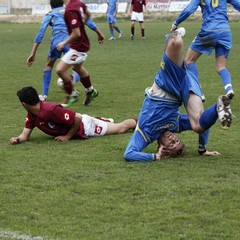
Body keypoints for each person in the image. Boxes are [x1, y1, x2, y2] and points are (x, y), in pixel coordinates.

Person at [124, 28, 232, 161]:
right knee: (198, 125)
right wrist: (202, 148)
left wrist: (154, 157)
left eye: (172, 144)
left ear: (161, 147)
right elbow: (204, 126)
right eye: (177, 141)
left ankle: (175, 33)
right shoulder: (174, 125)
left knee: (175, 42)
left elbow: (129, 153)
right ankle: (219, 105)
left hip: (167, 82)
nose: (174, 139)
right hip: (184, 88)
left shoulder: (144, 134)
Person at [27, 0, 104, 103]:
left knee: (49, 65)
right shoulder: (71, 10)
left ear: (51, 5)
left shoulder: (50, 14)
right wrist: (99, 33)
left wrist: (33, 53)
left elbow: (41, 32)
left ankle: (44, 95)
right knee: (77, 67)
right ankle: (73, 83)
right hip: (71, 41)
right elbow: (88, 22)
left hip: (57, 42)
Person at [10, 86, 137, 145]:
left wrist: (67, 136)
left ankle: (144, 122)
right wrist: (17, 139)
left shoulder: (50, 109)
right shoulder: (32, 114)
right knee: (108, 124)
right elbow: (25, 136)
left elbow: (77, 118)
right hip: (80, 122)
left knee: (121, 128)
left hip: (85, 127)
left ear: (24, 103)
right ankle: (102, 120)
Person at [170, 0, 240, 101]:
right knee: (221, 66)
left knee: (189, 60)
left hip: (209, 30)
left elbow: (189, 10)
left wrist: (176, 23)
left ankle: (199, 93)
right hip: (225, 32)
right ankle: (229, 89)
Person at [55, 0, 100, 108]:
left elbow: (77, 33)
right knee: (77, 69)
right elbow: (88, 14)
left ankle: (72, 94)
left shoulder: (69, 10)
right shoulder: (78, 3)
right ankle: (90, 90)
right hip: (83, 43)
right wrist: (82, 24)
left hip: (78, 47)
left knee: (60, 70)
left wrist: (63, 43)